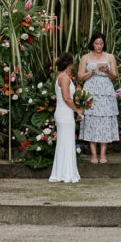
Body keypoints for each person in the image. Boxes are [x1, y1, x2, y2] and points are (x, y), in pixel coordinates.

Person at [77, 33, 119, 163]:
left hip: (106, 91)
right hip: (91, 91)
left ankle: (103, 154)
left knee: (105, 120)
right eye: (96, 43)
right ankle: (94, 155)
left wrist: (107, 71)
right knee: (91, 120)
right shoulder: (85, 57)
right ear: (92, 44)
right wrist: (92, 72)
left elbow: (114, 76)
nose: (99, 46)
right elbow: (80, 76)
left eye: (101, 44)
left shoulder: (110, 57)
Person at [49, 52, 83, 183]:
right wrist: (78, 110)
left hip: (63, 112)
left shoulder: (60, 76)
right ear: (70, 64)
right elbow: (67, 98)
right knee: (67, 142)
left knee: (65, 142)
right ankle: (66, 173)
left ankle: (62, 172)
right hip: (65, 113)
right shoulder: (64, 78)